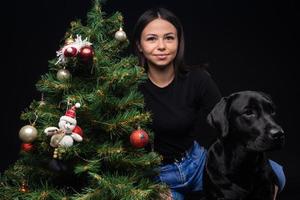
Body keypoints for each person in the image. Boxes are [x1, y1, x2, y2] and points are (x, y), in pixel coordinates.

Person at [132, 7, 285, 199]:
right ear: (139, 45)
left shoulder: (198, 79)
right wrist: (148, 186)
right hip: (159, 174)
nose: (161, 46)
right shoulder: (131, 87)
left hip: (197, 164)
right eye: (151, 38)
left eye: (169, 38)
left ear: (179, 42)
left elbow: (227, 123)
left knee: (277, 173)